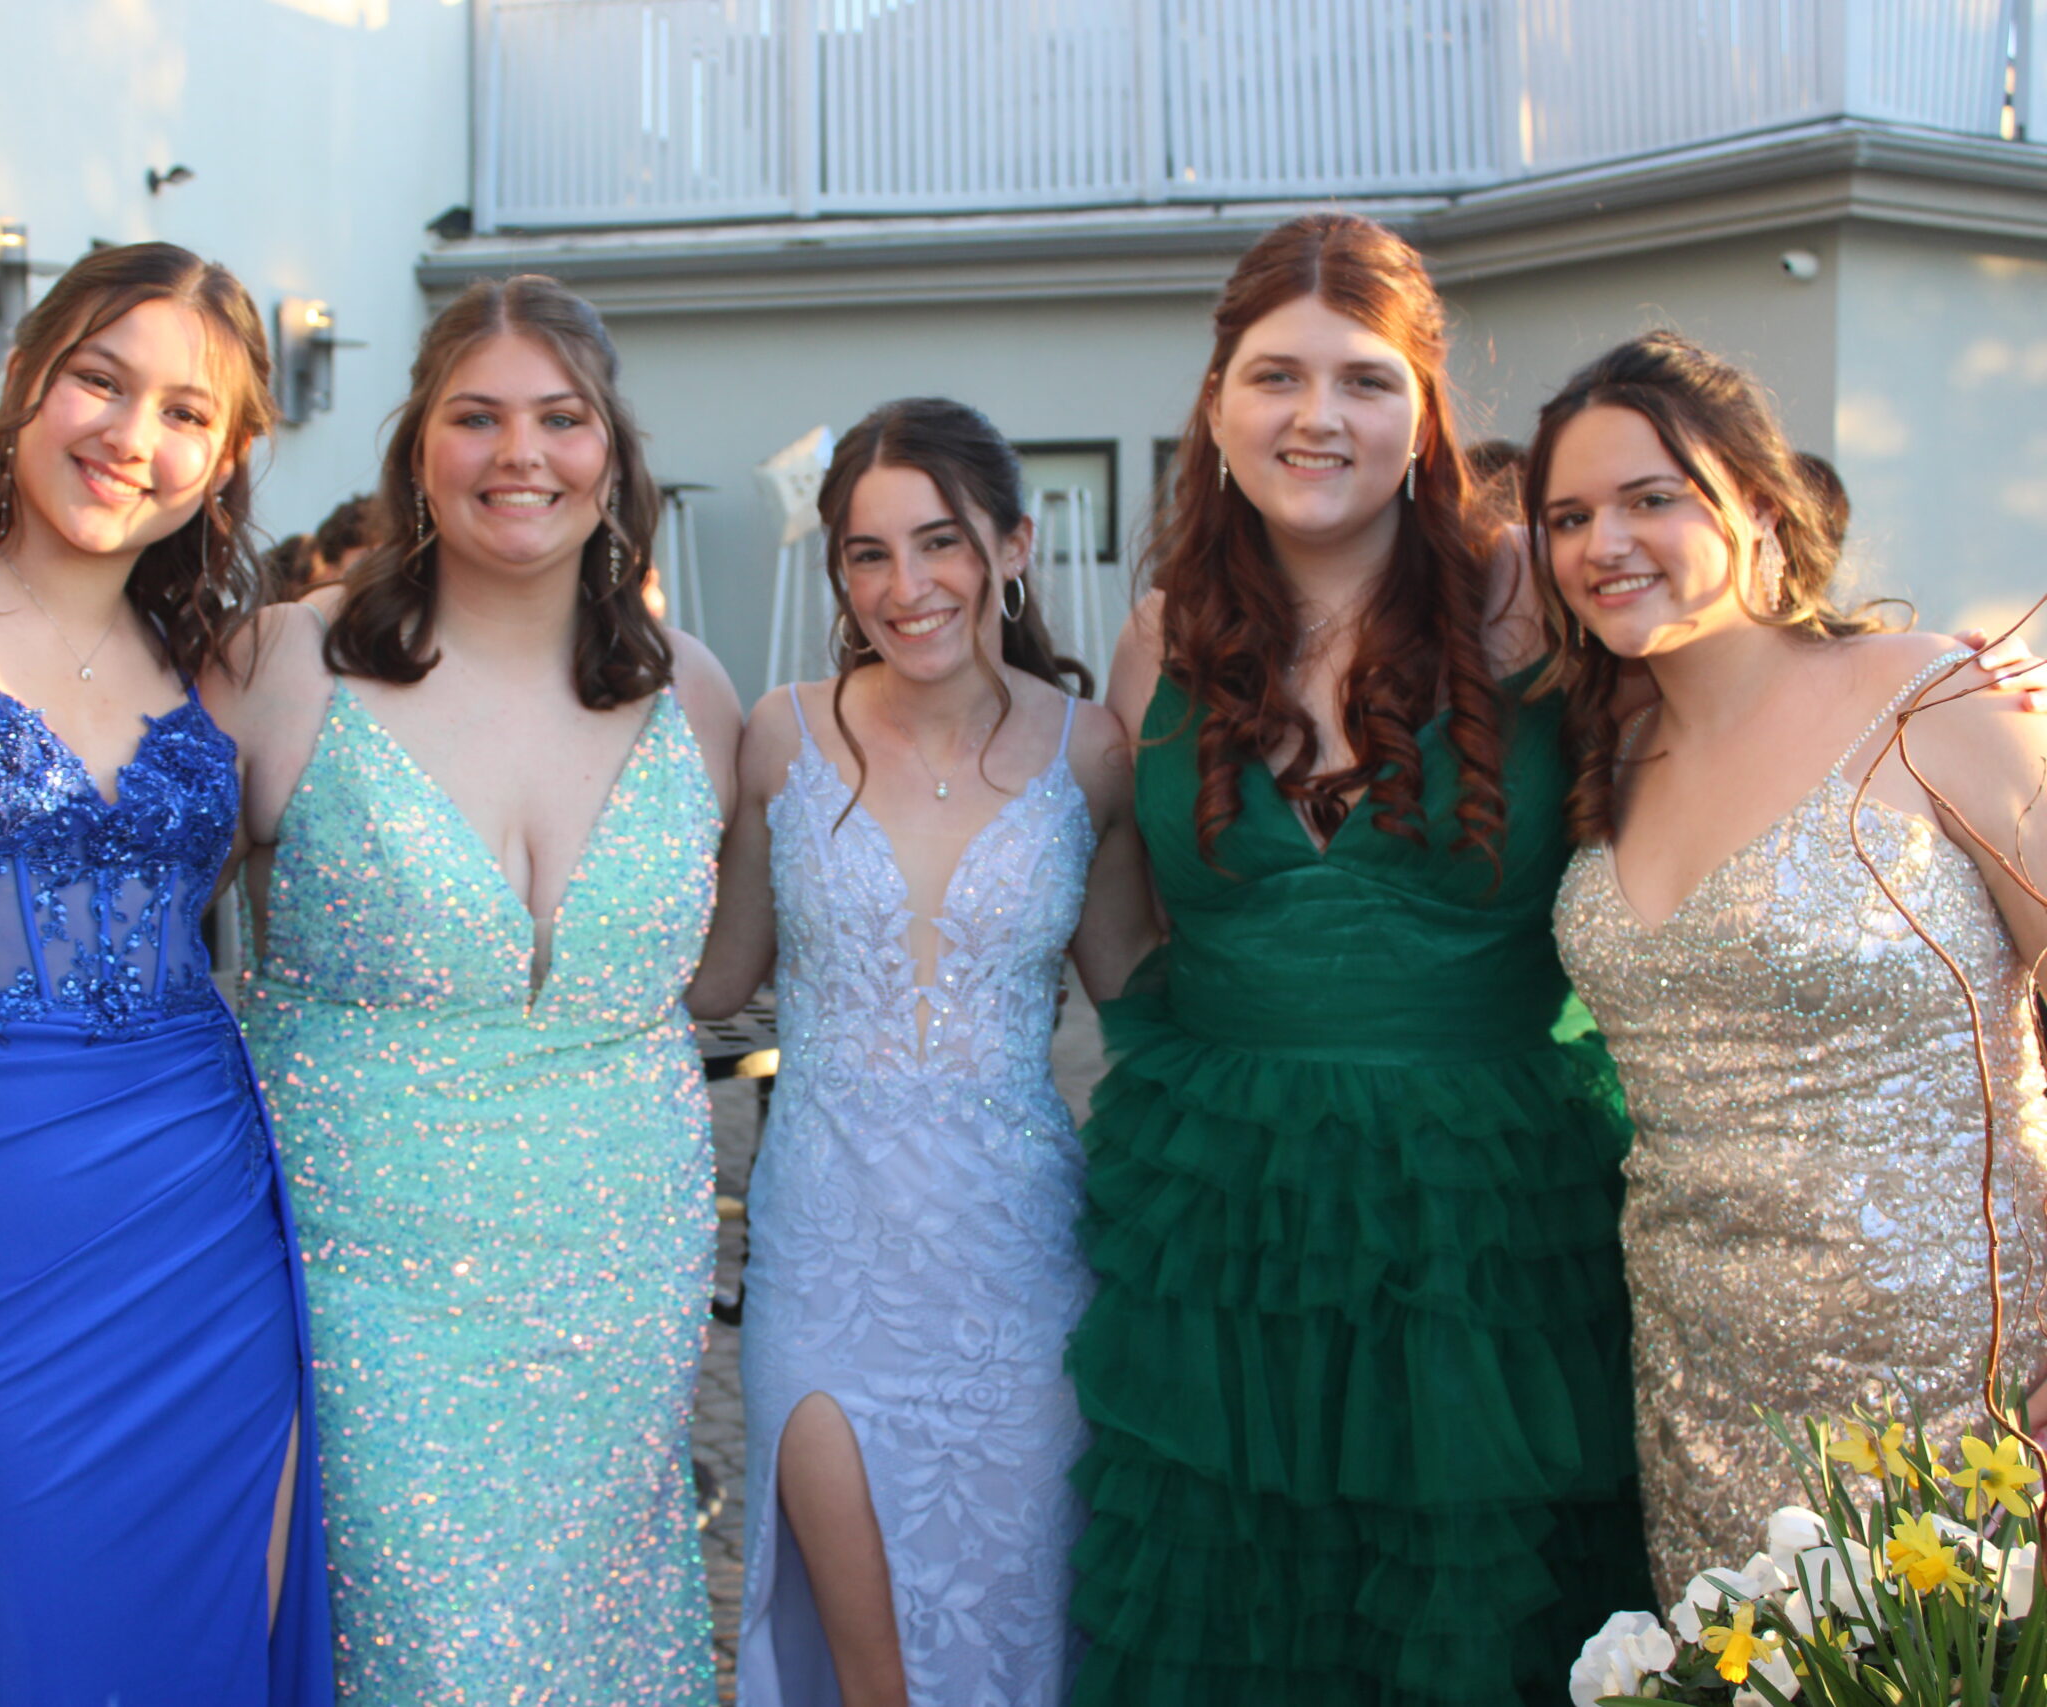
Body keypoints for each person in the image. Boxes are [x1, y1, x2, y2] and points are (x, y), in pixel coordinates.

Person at [1070, 213, 1653, 1706]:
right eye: (1276, 375)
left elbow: (1721, 712)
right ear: (1217, 404)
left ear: (1425, 413)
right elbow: (1117, 917)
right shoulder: (1158, 640)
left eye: (1364, 379)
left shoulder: (1534, 601)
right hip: (1228, 1231)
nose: (1315, 416)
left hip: (1488, 1234)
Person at [0, 243, 331, 1704]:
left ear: (225, 460)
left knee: (192, 1617)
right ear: (27, 374)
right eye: (100, 379)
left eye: (186, 413)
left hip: (192, 1212)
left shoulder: (213, 657)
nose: (131, 435)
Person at [204, 274, 741, 1704]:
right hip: (361, 1277)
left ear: (612, 450)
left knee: (598, 1633)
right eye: (477, 415)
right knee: (411, 1638)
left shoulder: (693, 693)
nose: (521, 453)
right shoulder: (285, 663)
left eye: (561, 418)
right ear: (417, 447)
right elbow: (134, 934)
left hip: (622, 1274)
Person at [1532, 331, 2047, 1594]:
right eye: (1568, 516)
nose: (1604, 543)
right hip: (1703, 1384)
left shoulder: (1927, 700)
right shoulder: (1603, 747)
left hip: (1963, 1377)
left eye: (1652, 498)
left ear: (1759, 504)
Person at [688, 396, 1154, 1706]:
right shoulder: (782, 734)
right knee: (872, 1672)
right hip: (825, 1266)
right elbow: (716, 975)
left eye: (938, 541)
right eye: (868, 553)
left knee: (1023, 1644)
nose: (906, 586)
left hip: (1020, 1269)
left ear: (1012, 545)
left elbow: (1139, 996)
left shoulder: (1090, 752)